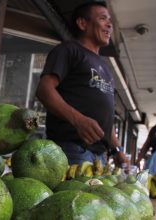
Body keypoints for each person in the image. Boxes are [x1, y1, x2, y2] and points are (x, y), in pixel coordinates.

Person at [36, 1, 128, 167]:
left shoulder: (105, 67)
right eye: (103, 19)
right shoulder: (69, 50)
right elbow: (44, 90)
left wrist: (117, 150)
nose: (109, 25)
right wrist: (78, 120)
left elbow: (106, 118)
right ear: (82, 23)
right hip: (71, 150)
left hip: (100, 156)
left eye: (110, 21)